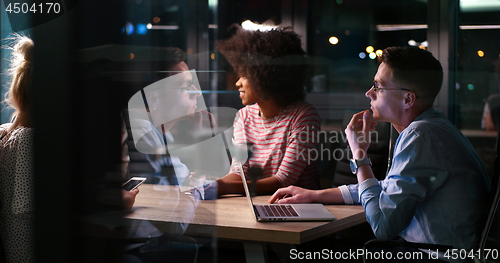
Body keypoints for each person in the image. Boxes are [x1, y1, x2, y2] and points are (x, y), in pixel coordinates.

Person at [269, 47, 491, 257]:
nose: (369, 93)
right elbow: (386, 188)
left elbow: (382, 225)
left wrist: (359, 155)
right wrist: (314, 195)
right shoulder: (432, 126)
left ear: (408, 99)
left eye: (378, 87)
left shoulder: (420, 136)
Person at [212, 25, 321, 197]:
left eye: (244, 75)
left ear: (265, 76)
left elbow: (284, 179)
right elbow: (240, 171)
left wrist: (224, 188)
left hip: (298, 207)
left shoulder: (303, 115)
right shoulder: (243, 116)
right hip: (256, 203)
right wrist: (212, 184)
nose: (237, 83)